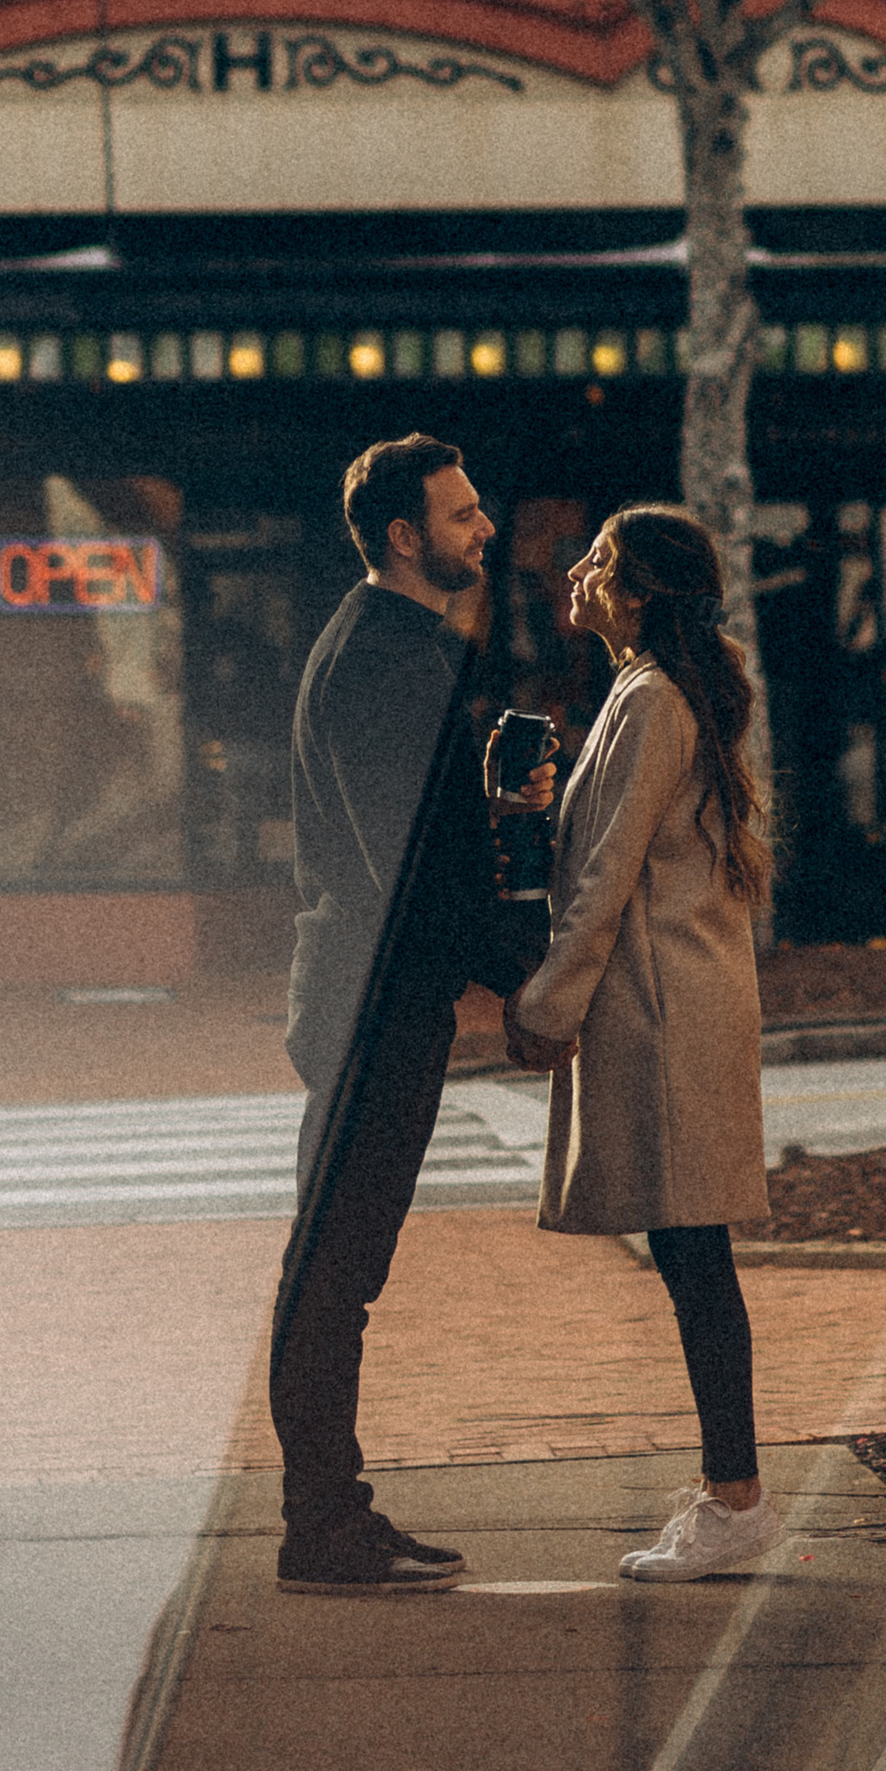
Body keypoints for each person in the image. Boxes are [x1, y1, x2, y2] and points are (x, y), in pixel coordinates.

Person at [268, 433, 544, 1594]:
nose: (484, 530)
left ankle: (333, 1514)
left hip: (360, 995)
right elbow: (412, 869)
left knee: (336, 1272)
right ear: (403, 534)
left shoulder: (386, 646)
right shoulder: (388, 659)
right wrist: (529, 974)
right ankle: (322, 1530)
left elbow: (412, 831)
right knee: (335, 1276)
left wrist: (480, 792)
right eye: (463, 513)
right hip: (375, 1006)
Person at [504, 503, 778, 1582]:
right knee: (687, 1251)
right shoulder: (642, 694)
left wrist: (543, 1008)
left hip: (666, 1010)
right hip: (671, 1000)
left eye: (600, 561)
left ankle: (735, 1501)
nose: (575, 571)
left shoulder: (652, 700)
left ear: (641, 593)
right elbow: (607, 851)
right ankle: (729, 1492)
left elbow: (609, 878)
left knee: (693, 1253)